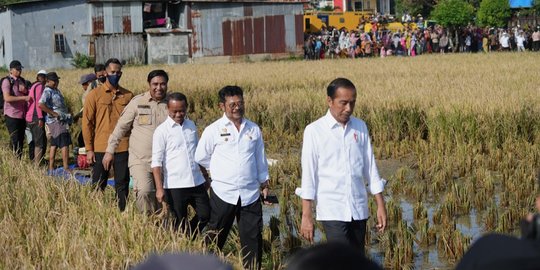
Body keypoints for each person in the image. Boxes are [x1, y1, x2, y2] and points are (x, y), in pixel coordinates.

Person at [297, 78, 387, 256]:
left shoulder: (360, 127)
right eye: (343, 103)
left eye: (352, 103)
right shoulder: (314, 131)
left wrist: (380, 204)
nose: (348, 108)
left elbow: (370, 167)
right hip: (332, 209)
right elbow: (309, 176)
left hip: (358, 208)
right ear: (329, 101)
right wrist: (306, 215)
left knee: (356, 258)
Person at [195, 85, 271, 269]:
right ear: (222, 106)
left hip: (250, 194)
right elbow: (201, 157)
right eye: (232, 104)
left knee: (252, 239)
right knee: (215, 235)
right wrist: (216, 176)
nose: (237, 107)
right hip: (223, 193)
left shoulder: (253, 129)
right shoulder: (214, 129)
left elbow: (260, 158)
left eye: (240, 103)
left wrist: (264, 182)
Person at [102, 69, 169, 214]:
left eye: (162, 84)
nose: (159, 87)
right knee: (144, 191)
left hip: (166, 161)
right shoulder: (138, 102)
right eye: (155, 84)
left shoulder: (172, 104)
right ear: (149, 84)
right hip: (141, 160)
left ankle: (161, 226)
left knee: (163, 196)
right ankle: (146, 224)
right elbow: (121, 127)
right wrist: (109, 151)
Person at [151, 92, 210, 234]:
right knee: (179, 220)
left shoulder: (191, 125)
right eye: (174, 111)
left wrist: (205, 176)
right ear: (168, 110)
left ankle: (189, 236)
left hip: (196, 182)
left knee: (206, 215)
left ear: (186, 108)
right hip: (175, 185)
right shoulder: (161, 131)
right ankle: (184, 245)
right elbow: (156, 162)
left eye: (182, 110)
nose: (178, 114)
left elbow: (197, 153)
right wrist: (159, 188)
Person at [82, 58, 134, 211]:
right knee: (98, 183)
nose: (115, 75)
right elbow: (87, 123)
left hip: (122, 146)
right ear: (105, 72)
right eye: (112, 72)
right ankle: (96, 213)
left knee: (122, 184)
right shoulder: (94, 95)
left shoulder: (128, 95)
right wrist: (89, 149)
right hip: (100, 146)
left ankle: (122, 213)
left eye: (118, 72)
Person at [38, 72, 72, 174]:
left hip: (60, 120)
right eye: (54, 81)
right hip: (56, 121)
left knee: (54, 143)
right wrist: (53, 113)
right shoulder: (48, 91)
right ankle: (66, 167)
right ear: (48, 81)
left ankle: (51, 167)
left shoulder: (55, 90)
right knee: (64, 143)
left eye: (57, 80)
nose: (57, 82)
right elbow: (40, 104)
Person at [2, 60, 31, 159]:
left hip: (21, 115)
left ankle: (16, 161)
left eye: (20, 69)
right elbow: (7, 98)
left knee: (20, 140)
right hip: (11, 115)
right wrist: (23, 98)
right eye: (17, 69)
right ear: (11, 70)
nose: (19, 71)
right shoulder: (7, 81)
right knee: (15, 140)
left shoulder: (21, 81)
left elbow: (27, 94)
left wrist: (25, 91)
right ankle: (15, 163)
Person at [25, 70, 47, 164]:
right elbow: (39, 103)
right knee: (39, 142)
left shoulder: (33, 85)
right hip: (35, 117)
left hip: (29, 117)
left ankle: (36, 162)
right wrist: (40, 118)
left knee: (35, 141)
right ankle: (37, 166)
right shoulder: (40, 86)